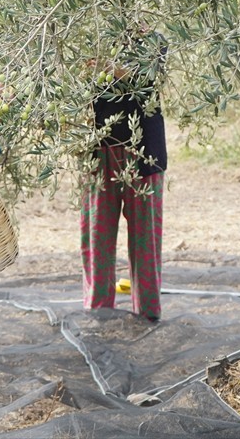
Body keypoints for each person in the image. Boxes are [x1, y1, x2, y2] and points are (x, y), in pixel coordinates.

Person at [82, 27, 168, 321]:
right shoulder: (84, 32)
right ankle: (98, 312)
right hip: (98, 150)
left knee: (146, 238)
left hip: (144, 150)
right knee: (98, 238)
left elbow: (149, 80)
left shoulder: (154, 41)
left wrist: (112, 69)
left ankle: (148, 312)